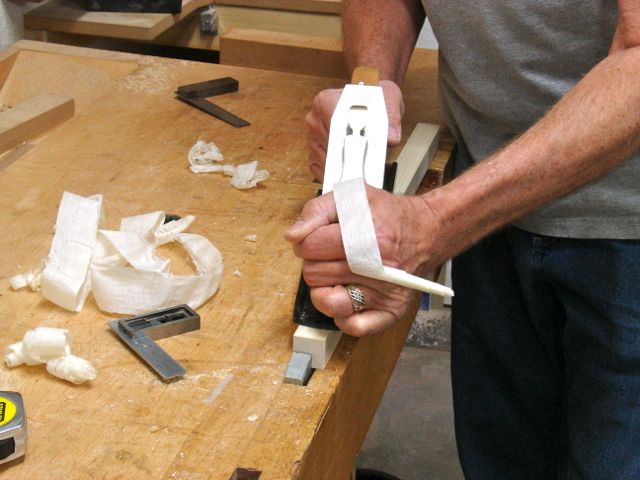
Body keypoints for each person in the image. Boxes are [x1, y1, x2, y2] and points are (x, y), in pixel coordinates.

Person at [284, 1, 640, 478]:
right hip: (485, 202)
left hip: (626, 225)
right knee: (504, 459)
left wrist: (434, 222)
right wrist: (371, 85)